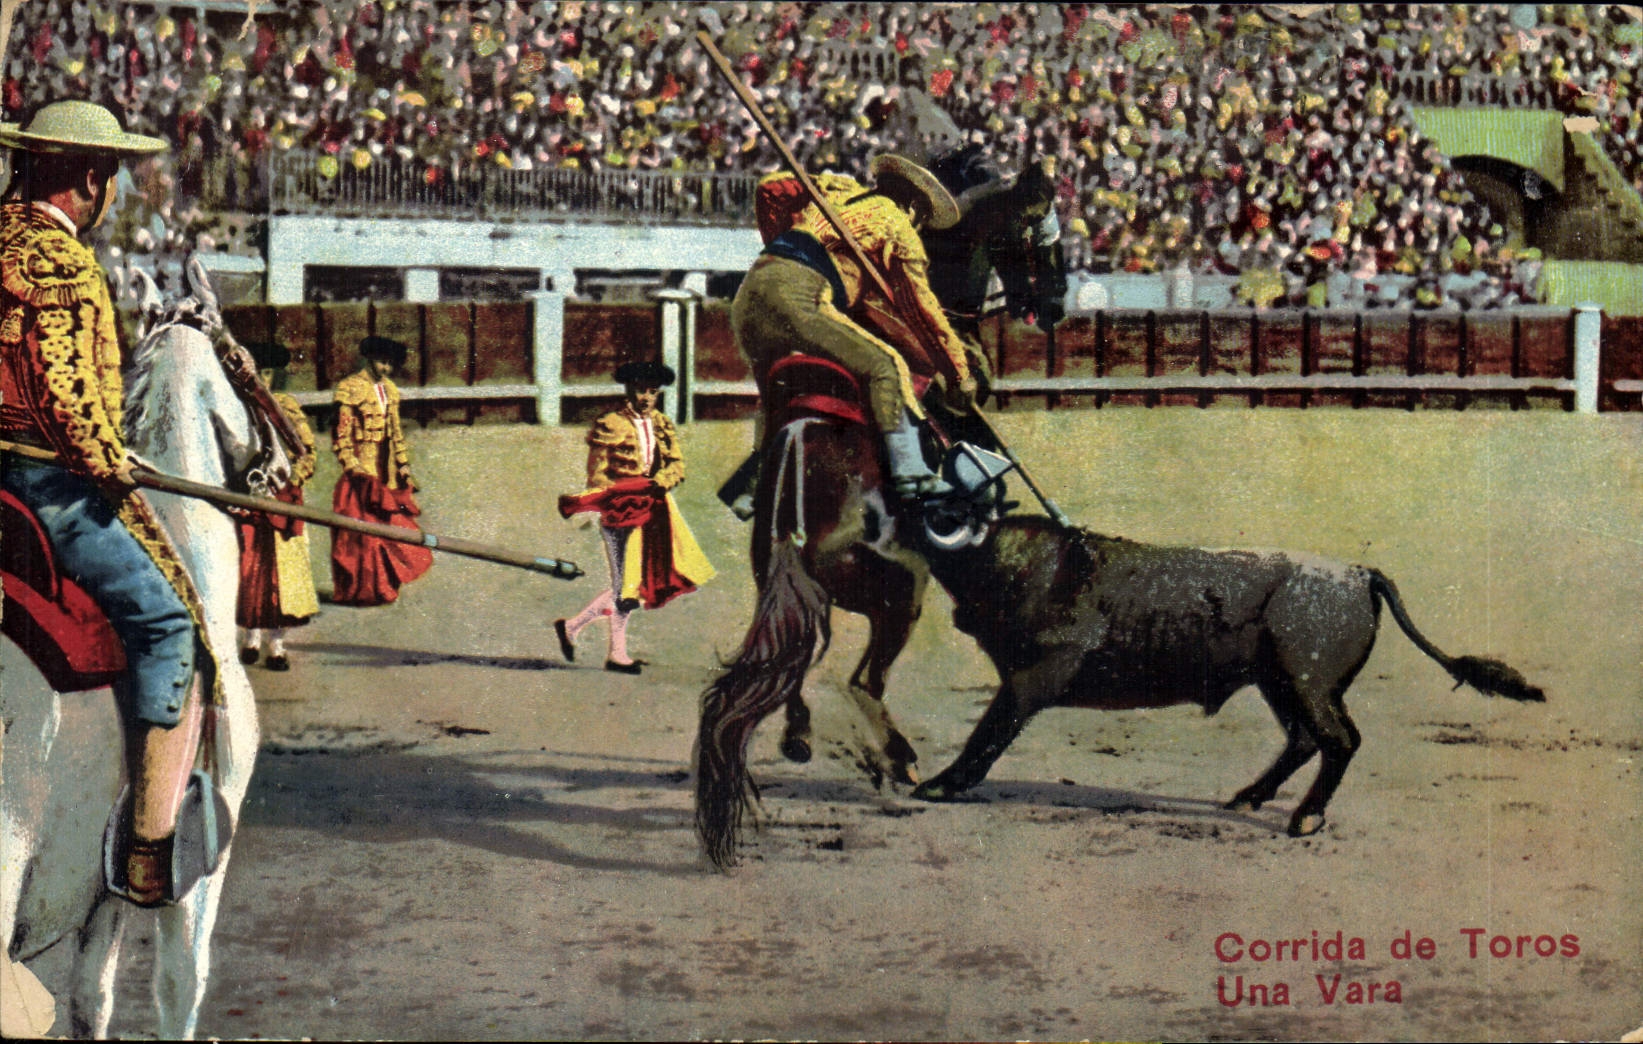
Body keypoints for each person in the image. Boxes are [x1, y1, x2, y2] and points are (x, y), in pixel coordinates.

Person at [0, 100, 202, 906]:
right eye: (111, 173)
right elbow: (65, 397)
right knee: (168, 621)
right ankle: (149, 851)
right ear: (92, 177)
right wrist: (112, 464)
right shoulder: (63, 261)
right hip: (44, 485)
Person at [729, 153, 978, 510]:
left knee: (777, 392)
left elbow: (771, 189)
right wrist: (959, 372)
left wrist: (784, 242)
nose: (920, 225)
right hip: (801, 293)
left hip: (753, 288)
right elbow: (923, 311)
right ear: (911, 205)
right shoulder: (898, 227)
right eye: (921, 217)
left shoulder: (838, 193)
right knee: (887, 365)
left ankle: (751, 489)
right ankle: (912, 474)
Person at [554, 360, 713, 675]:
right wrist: (602, 503)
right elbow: (598, 472)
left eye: (652, 391)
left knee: (630, 586)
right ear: (629, 389)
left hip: (655, 509)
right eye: (641, 389)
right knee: (626, 586)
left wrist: (659, 483)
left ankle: (578, 629)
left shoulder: (662, 424)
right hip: (620, 509)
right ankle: (613, 652)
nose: (646, 397)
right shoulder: (610, 423)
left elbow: (676, 466)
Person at [329, 335, 432, 605]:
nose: (386, 368)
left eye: (390, 364)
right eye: (381, 362)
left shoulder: (390, 390)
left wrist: (404, 467)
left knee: (390, 529)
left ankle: (383, 587)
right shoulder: (350, 387)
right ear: (369, 359)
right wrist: (354, 469)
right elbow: (341, 435)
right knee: (359, 536)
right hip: (361, 472)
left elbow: (396, 434)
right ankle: (359, 591)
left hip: (384, 471)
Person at [236, 341, 319, 669]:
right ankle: (251, 637)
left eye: (269, 373)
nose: (264, 380)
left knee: (284, 574)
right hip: (250, 498)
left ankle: (277, 645)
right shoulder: (238, 405)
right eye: (259, 372)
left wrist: (291, 482)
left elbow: (307, 453)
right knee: (251, 569)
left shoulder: (285, 406)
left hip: (282, 499)